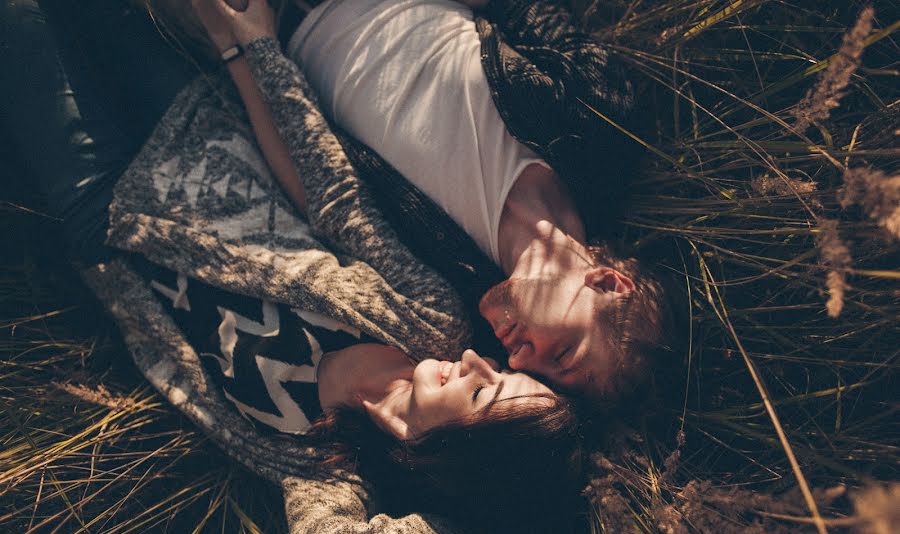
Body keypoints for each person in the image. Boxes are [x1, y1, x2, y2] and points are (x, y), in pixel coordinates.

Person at [1, 1, 586, 534]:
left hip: (103, 216)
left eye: (484, 390)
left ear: (465, 462)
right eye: (498, 368)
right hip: (197, 135)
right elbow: (329, 197)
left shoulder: (324, 468)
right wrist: (247, 52)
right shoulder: (429, 322)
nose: (475, 359)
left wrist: (468, 521)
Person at [185, 0, 682, 408]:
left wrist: (242, 48)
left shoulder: (447, 286)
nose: (523, 362)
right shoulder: (598, 134)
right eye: (564, 355)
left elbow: (318, 190)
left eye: (541, 377)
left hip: (271, 30)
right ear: (607, 283)